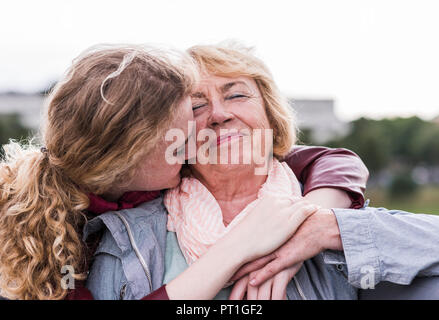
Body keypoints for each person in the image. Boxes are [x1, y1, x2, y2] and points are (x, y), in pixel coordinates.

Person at [0, 44, 368, 300]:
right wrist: (237, 246)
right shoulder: (72, 234)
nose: (215, 118)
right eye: (191, 117)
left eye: (236, 95)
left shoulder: (150, 179)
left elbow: (332, 159)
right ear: (134, 157)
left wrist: (307, 223)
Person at [86, 42, 439, 300]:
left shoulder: (326, 208)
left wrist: (322, 228)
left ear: (270, 113)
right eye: (196, 105)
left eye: (236, 95)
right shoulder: (128, 233)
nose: (219, 114)